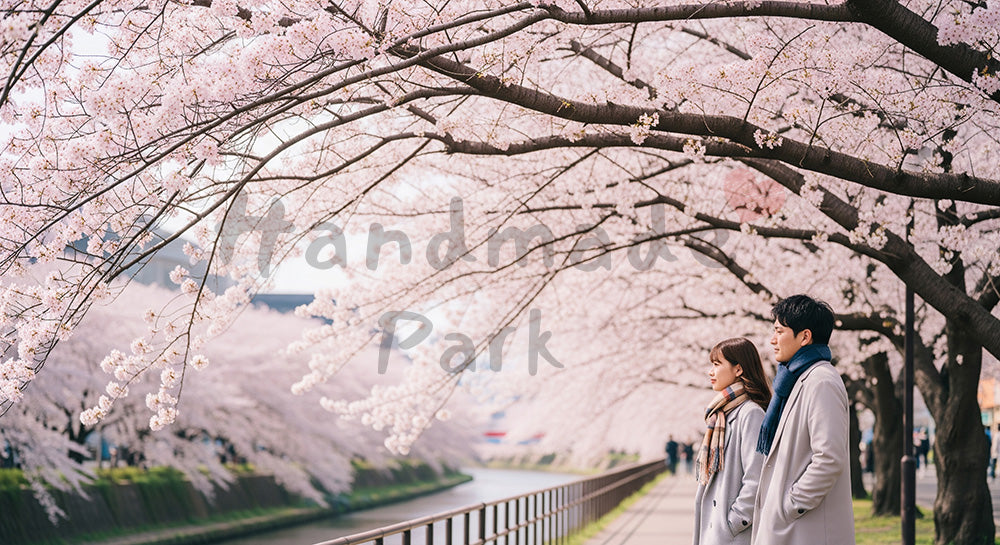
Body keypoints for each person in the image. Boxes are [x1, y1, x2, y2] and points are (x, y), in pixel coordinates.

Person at [751, 295, 855, 545]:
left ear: (805, 336)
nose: (772, 340)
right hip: (793, 526)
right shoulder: (797, 378)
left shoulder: (821, 382)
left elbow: (829, 458)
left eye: (779, 331)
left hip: (806, 528)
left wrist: (790, 505)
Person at [693, 337, 771, 545]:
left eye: (717, 365)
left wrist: (732, 524)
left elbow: (756, 478)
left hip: (731, 535)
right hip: (718, 529)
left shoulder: (750, 413)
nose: (711, 372)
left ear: (738, 369)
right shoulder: (722, 414)